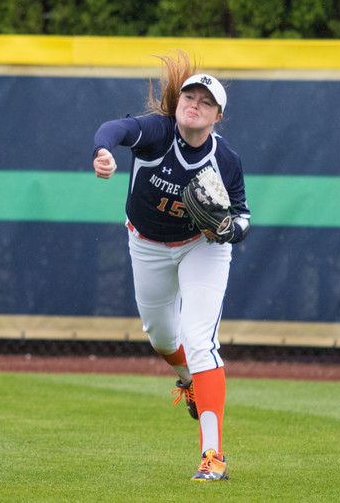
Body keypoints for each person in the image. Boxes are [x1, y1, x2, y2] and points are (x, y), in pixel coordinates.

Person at [92, 51, 251, 481]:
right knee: (162, 336)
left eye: (204, 101)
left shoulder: (226, 160)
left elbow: (242, 218)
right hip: (146, 243)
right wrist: (103, 150)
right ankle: (189, 380)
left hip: (201, 247)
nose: (193, 103)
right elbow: (115, 129)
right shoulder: (156, 133)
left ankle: (212, 457)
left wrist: (227, 229)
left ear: (217, 115)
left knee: (199, 339)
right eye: (188, 96)